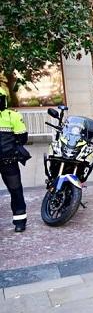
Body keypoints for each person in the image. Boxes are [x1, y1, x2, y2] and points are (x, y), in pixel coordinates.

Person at [0, 88, 29, 232]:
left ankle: (20, 220)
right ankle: (20, 223)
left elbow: (23, 137)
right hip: (8, 160)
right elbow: (22, 138)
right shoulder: (13, 115)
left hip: (8, 161)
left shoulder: (13, 115)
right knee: (15, 190)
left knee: (16, 190)